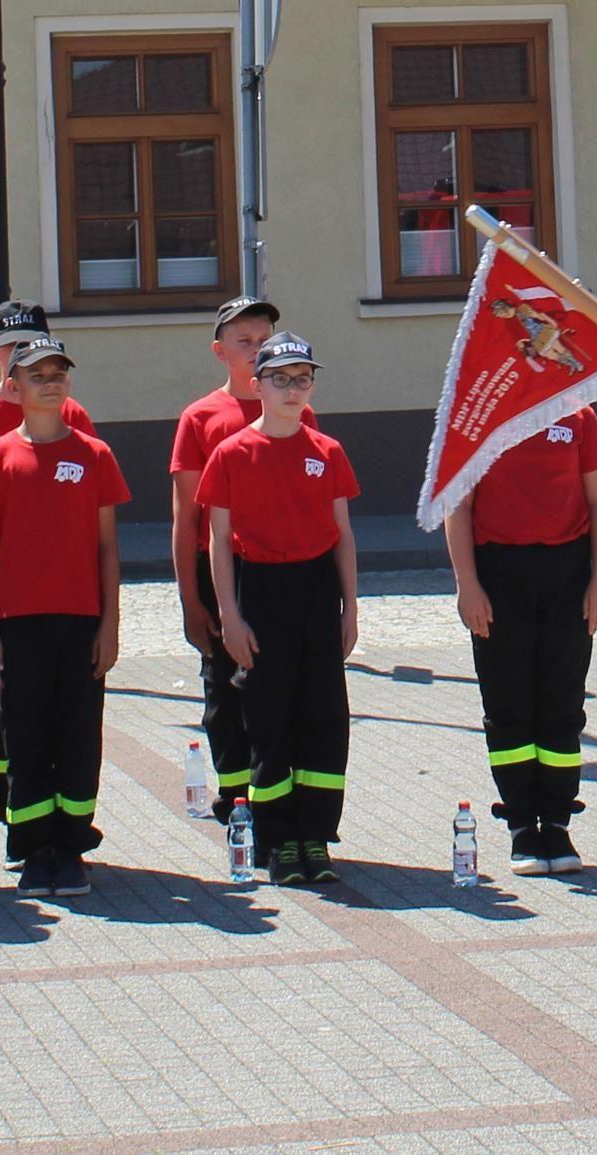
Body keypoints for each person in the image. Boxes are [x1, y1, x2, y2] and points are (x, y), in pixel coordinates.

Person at [0, 324, 127, 894]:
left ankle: (72, 844)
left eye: (58, 374)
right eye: (37, 376)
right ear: (14, 385)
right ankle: (32, 848)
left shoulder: (95, 455)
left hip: (80, 622)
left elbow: (107, 548)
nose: (51, 384)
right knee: (25, 736)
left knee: (78, 735)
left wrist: (110, 625)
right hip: (17, 624)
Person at [200, 332, 359, 889]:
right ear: (256, 384)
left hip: (316, 591)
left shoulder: (327, 451)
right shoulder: (231, 452)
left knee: (322, 717)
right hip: (261, 589)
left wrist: (350, 609)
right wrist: (229, 616)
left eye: (302, 379)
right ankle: (276, 839)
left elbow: (342, 534)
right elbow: (219, 541)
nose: (293, 390)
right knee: (268, 719)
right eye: (280, 379)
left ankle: (315, 835)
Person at [440, 382, 597, 874]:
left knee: (561, 703)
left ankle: (557, 824)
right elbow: (460, 505)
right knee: (508, 704)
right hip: (499, 574)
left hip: (568, 573)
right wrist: (468, 585)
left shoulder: (578, 417)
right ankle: (521, 824)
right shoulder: (481, 417)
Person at [0, 301, 99, 828]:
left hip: (62, 598)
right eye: (11, 347)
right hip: (2, 596)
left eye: (31, 344)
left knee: (60, 715)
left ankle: (49, 814)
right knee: (3, 710)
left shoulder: (70, 416)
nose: (20, 355)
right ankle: (6, 801)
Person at [168, 294, 278, 821]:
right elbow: (186, 520)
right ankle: (234, 793)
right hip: (221, 572)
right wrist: (192, 601)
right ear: (221, 351)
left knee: (274, 686)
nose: (257, 352)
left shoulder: (292, 405)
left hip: (278, 571)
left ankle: (270, 788)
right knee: (224, 688)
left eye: (264, 341)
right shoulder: (200, 417)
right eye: (245, 342)